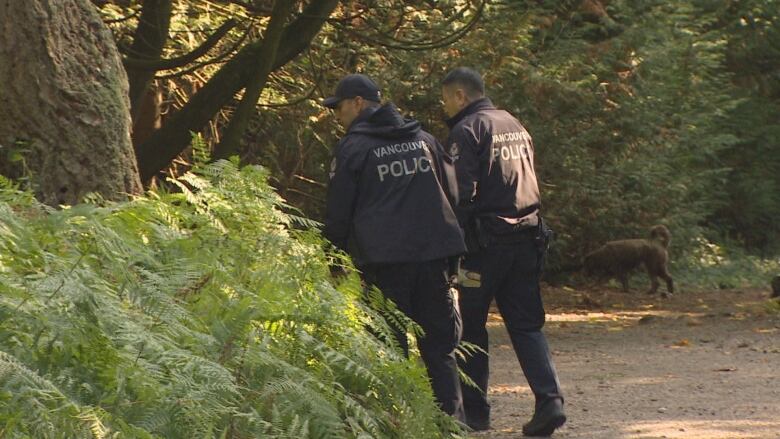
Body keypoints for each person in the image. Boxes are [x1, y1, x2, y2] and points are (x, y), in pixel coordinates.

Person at [322, 73, 467, 421]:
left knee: (389, 349)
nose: (337, 116)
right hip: (434, 260)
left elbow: (339, 212)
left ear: (358, 103)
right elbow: (453, 195)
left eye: (339, 107)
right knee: (439, 350)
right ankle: (452, 426)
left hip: (384, 264)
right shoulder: (425, 140)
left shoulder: (353, 149)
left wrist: (333, 259)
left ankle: (398, 426)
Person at [441, 67, 566, 436]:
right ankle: (550, 401)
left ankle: (477, 413)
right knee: (527, 325)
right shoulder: (514, 123)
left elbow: (460, 194)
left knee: (472, 328)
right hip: (528, 237)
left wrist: (452, 246)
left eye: (446, 98)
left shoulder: (467, 130)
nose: (444, 106)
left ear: (461, 96)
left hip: (486, 245)